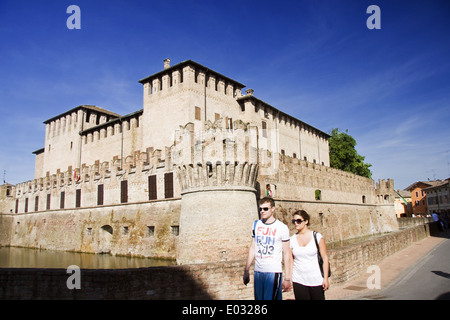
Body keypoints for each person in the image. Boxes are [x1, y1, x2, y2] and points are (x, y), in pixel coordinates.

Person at [243, 197, 291, 300]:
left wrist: (287, 277)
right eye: (260, 209)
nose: (262, 211)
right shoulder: (256, 224)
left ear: (272, 209)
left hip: (273, 272)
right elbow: (253, 248)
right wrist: (246, 269)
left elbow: (287, 253)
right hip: (258, 272)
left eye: (265, 209)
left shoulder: (282, 227)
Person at [289, 210, 329, 300]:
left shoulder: (317, 237)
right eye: (293, 221)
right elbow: (291, 261)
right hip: (298, 279)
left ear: (306, 221)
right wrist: (289, 278)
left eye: (298, 221)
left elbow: (325, 258)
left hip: (316, 279)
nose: (296, 223)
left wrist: (325, 278)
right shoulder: (291, 240)